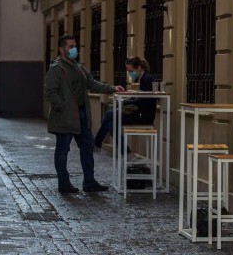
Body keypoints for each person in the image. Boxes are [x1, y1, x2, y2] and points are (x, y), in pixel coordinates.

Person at [44, 35, 126, 194]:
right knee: (62, 150)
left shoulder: (79, 68)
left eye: (75, 46)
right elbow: (50, 92)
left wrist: (112, 88)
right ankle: (64, 183)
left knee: (87, 147)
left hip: (82, 115)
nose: (74, 49)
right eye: (70, 46)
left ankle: (89, 181)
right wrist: (62, 107)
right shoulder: (56, 69)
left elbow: (92, 84)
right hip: (65, 117)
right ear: (62, 49)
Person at [94, 56, 157, 153]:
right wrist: (129, 100)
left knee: (109, 114)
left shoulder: (148, 79)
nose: (129, 73)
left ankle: (96, 144)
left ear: (139, 68)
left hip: (143, 116)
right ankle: (126, 153)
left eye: (130, 70)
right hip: (136, 113)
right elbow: (139, 97)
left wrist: (127, 101)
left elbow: (144, 99)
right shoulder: (141, 79)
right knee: (111, 124)